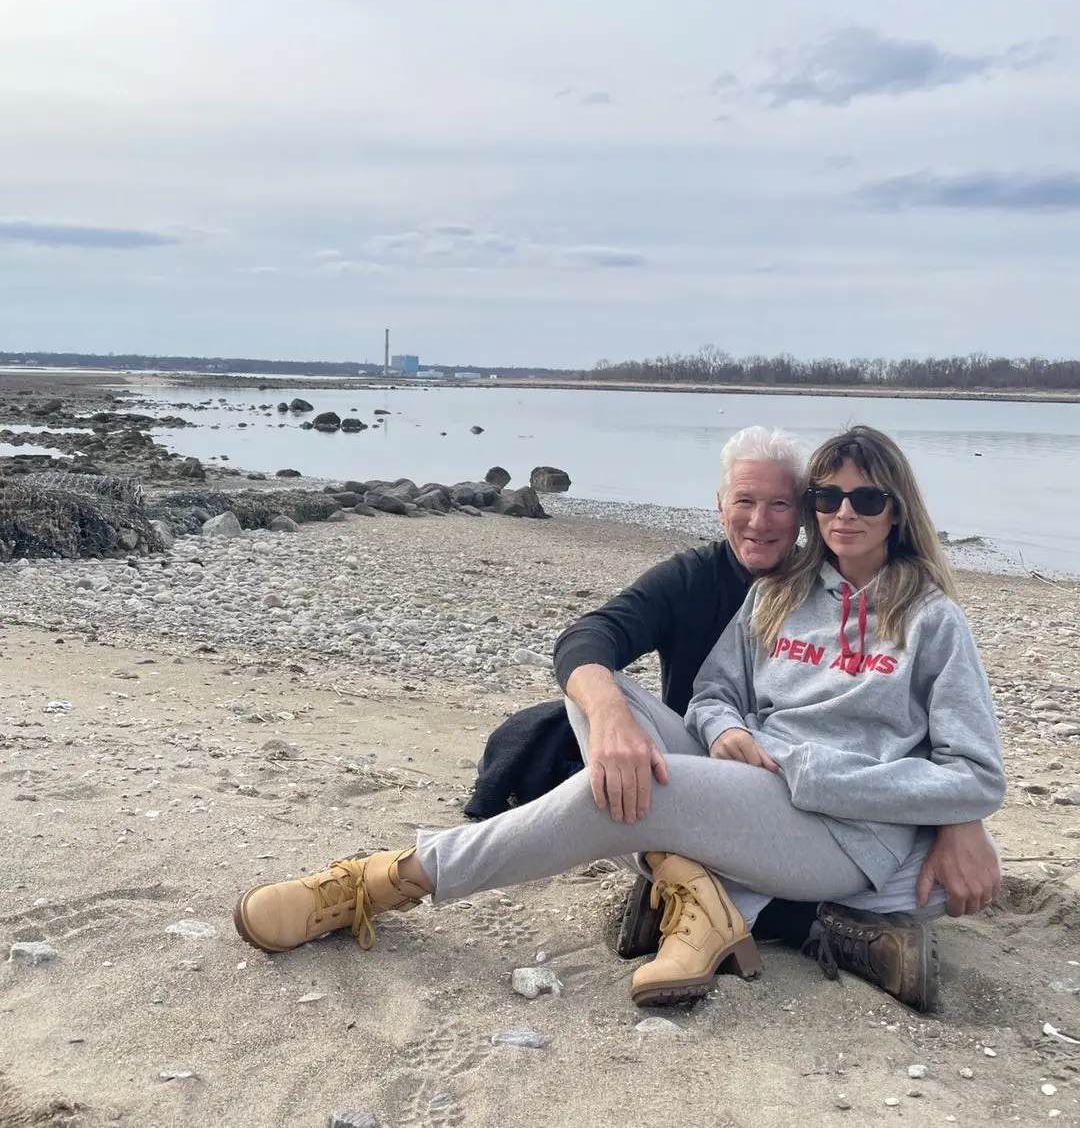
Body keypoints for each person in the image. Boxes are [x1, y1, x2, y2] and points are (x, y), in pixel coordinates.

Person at [234, 426, 1006, 1012]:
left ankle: (382, 881)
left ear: (896, 509)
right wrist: (720, 732)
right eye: (828, 497)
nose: (843, 513)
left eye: (864, 499)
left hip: (832, 824)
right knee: (597, 695)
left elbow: (975, 774)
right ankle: (701, 901)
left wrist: (823, 775)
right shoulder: (782, 595)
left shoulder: (932, 621)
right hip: (746, 780)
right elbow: (710, 693)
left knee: (622, 795)